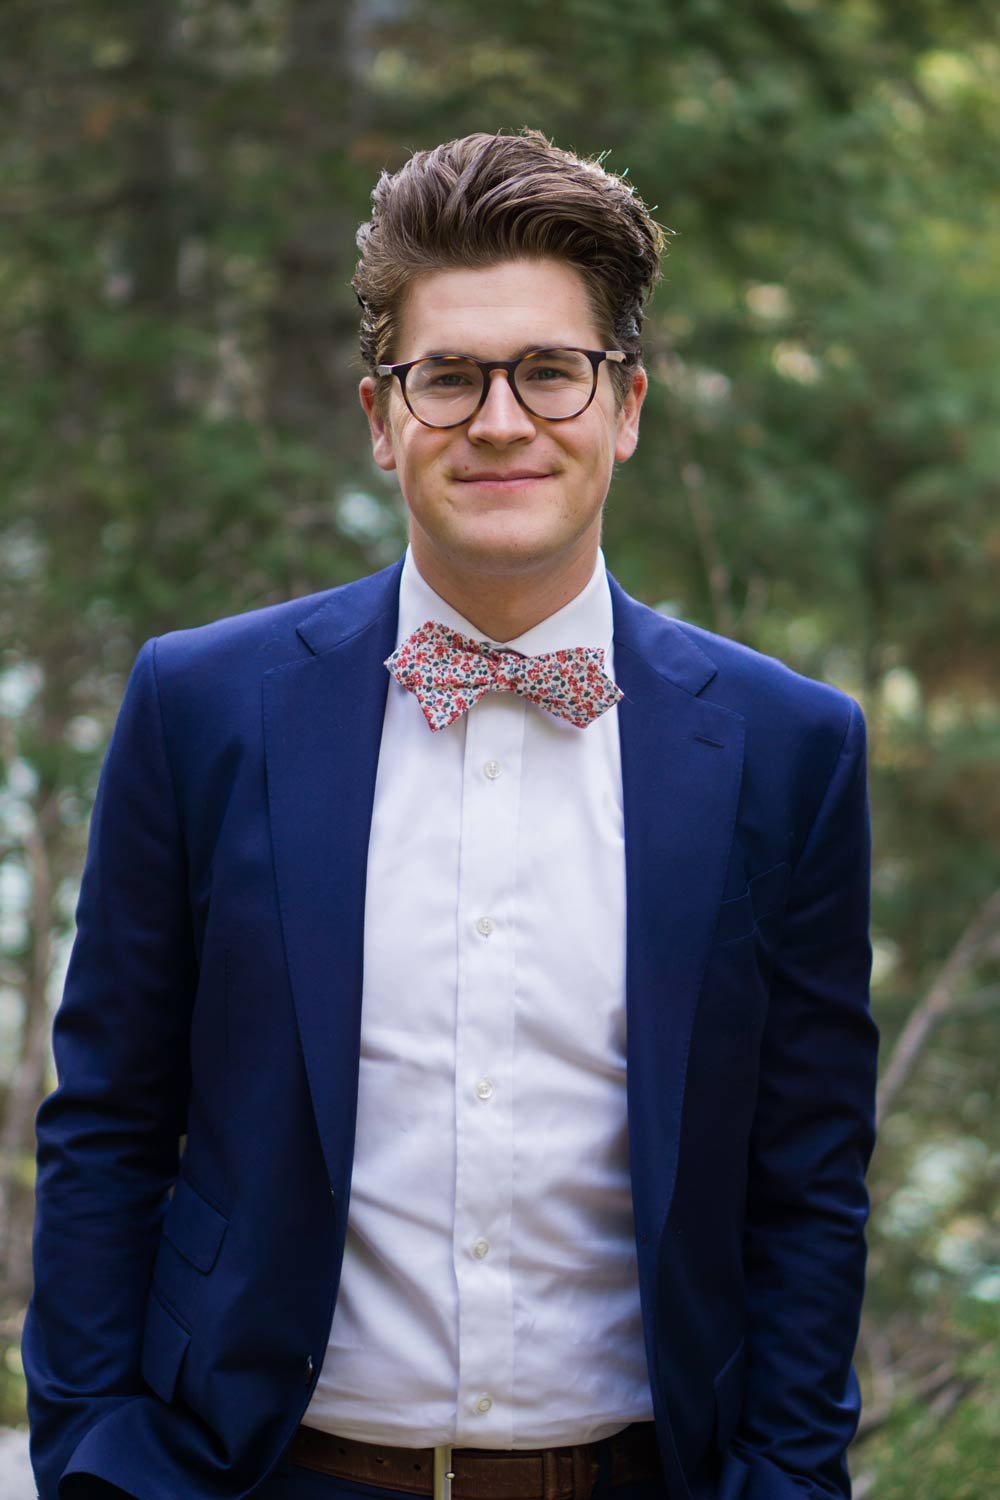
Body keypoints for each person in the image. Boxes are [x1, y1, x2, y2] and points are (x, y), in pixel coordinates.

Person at [23, 129, 879, 1500]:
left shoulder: (789, 748)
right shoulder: (201, 707)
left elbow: (809, 1179)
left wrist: (786, 1479)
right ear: (382, 418)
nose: (500, 421)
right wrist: (97, 1460)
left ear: (626, 406)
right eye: (449, 376)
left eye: (550, 370)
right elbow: (112, 1123)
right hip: (258, 1473)